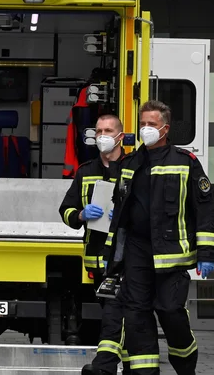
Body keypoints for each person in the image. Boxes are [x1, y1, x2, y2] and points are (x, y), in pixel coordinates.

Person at [102, 100, 214, 375]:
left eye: (151, 124)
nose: (145, 129)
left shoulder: (185, 162)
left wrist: (207, 254)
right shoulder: (130, 163)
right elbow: (120, 212)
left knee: (169, 311)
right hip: (137, 252)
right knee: (136, 315)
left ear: (165, 128)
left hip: (172, 255)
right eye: (142, 124)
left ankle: (185, 363)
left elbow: (204, 209)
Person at [58, 114, 132, 375]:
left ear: (120, 136)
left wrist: (127, 215)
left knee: (116, 312)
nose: (102, 135)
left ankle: (105, 366)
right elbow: (66, 210)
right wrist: (80, 214)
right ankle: (129, 364)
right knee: (115, 315)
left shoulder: (133, 168)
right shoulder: (86, 170)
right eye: (98, 130)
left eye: (108, 130)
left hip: (126, 258)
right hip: (96, 259)